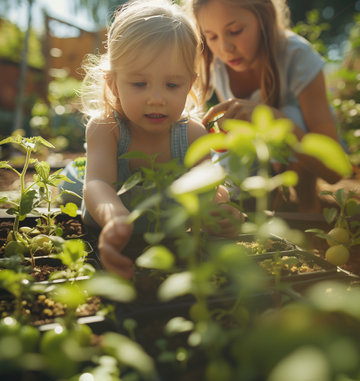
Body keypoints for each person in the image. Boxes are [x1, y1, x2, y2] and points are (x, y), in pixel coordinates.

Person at [79, 0, 242, 279]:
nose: (157, 98)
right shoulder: (107, 128)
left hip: (167, 247)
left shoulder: (192, 135)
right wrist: (114, 217)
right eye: (140, 84)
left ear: (189, 85)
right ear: (113, 83)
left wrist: (220, 212)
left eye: (172, 85)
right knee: (77, 177)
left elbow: (208, 191)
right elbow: (97, 183)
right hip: (106, 234)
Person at [185, 0, 347, 212]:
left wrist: (275, 120)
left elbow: (334, 171)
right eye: (212, 36)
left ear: (265, 16)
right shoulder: (215, 62)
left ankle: (308, 206)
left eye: (235, 31)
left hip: (305, 160)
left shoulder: (298, 56)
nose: (225, 48)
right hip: (260, 159)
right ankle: (253, 208)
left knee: (290, 114)